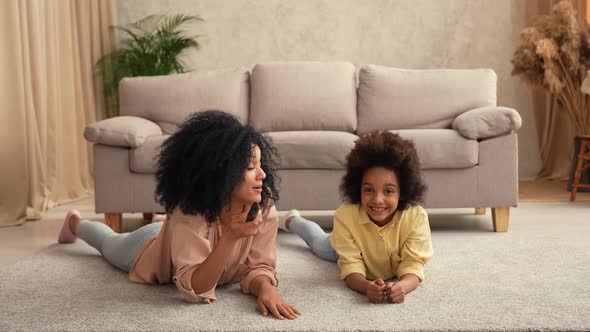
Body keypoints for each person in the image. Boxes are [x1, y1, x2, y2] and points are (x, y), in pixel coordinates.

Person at [58, 110, 300, 320]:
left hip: (180, 232)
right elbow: (195, 289)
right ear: (220, 174)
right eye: (250, 167)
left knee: (176, 231)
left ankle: (166, 226)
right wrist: (230, 238)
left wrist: (266, 288)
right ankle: (75, 222)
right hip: (146, 248)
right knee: (108, 242)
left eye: (260, 165)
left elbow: (259, 267)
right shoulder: (190, 210)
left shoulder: (263, 207)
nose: (262, 175)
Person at [279, 131, 433, 304]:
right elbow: (351, 267)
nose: (377, 199)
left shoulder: (416, 216)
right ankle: (292, 220)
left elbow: (414, 264)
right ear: (357, 187)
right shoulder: (345, 215)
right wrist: (367, 287)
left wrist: (402, 287)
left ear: (403, 191)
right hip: (344, 246)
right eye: (368, 189)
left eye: (388, 191)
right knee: (316, 241)